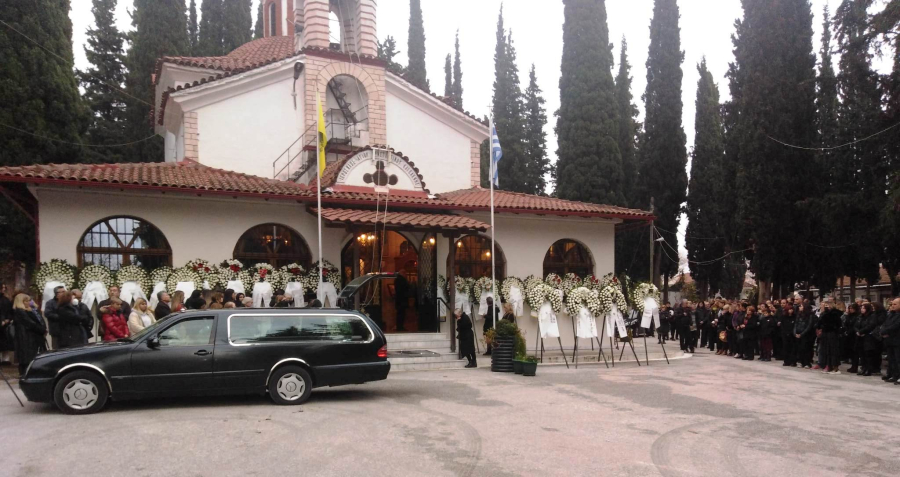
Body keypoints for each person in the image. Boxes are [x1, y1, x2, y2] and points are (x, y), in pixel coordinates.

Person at [12, 294, 47, 374]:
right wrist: (41, 329)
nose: (28, 302)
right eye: (26, 301)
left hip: (32, 337)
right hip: (26, 338)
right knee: (26, 359)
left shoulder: (31, 310)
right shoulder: (20, 312)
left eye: (29, 300)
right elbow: (30, 323)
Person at [817, 300, 843, 374]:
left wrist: (833, 328)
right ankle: (828, 365)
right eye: (825, 306)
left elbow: (838, 324)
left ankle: (835, 367)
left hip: (832, 333)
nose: (826, 307)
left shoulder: (835, 314)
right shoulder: (824, 314)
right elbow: (819, 323)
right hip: (825, 333)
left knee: (833, 350)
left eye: (827, 306)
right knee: (827, 350)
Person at [880, 298, 900, 384]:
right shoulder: (892, 314)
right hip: (890, 340)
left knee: (898, 359)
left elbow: (896, 325)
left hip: (897, 340)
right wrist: (882, 331)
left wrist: (886, 331)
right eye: (892, 304)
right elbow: (885, 324)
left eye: (895, 304)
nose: (892, 306)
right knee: (892, 359)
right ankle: (894, 375)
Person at [794, 303, 815, 369]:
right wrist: (795, 333)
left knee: (806, 348)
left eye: (801, 306)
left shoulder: (810, 315)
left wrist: (802, 334)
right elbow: (796, 324)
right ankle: (800, 361)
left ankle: (807, 362)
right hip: (798, 332)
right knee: (800, 348)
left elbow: (809, 326)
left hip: (806, 334)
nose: (800, 307)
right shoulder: (799, 315)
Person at [0, 284, 14, 364]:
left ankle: (5, 359)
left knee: (5, 342)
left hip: (4, 325)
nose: (4, 289)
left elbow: (10, 311)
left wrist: (7, 319)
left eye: (4, 288)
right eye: (2, 288)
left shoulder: (6, 300)